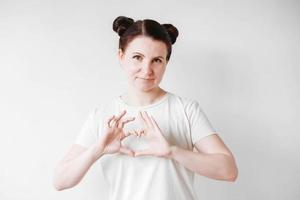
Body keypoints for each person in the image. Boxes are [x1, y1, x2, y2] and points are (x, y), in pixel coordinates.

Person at [53, 16, 238, 200]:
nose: (147, 70)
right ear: (121, 56)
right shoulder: (102, 115)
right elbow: (60, 181)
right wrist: (97, 149)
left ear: (166, 62)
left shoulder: (186, 110)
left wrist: (172, 151)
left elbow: (229, 171)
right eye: (137, 58)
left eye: (157, 60)